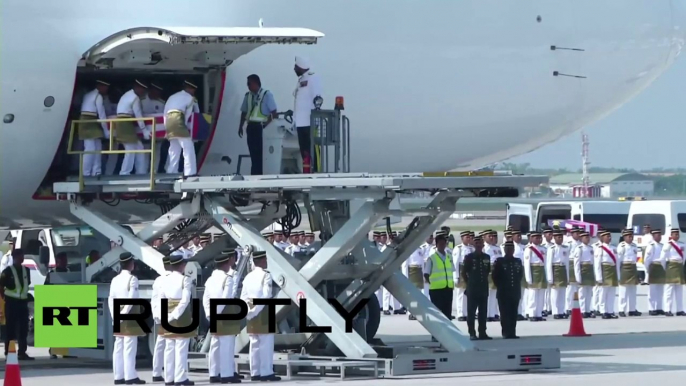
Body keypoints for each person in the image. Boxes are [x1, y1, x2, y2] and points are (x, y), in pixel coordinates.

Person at [240, 250, 281, 382]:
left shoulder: (248, 277)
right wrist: (256, 310)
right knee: (266, 344)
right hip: (263, 311)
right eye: (266, 260)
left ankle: (255, 372)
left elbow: (243, 297)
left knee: (254, 344)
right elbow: (266, 295)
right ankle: (266, 372)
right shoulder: (266, 276)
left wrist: (249, 311)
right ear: (262, 261)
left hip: (250, 309)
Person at [203, 249, 241, 384]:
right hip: (225, 315)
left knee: (215, 345)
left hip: (213, 313)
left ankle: (214, 373)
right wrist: (217, 314)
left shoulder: (210, 279)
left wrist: (210, 314)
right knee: (227, 345)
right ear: (226, 264)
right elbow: (225, 299)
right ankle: (226, 374)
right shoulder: (228, 279)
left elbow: (205, 298)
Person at [108, 252, 145, 384]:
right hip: (130, 315)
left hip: (117, 313)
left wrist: (115, 315)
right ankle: (130, 376)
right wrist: (124, 314)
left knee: (118, 346)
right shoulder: (132, 279)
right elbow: (131, 299)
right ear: (130, 264)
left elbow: (111, 298)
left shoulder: (115, 279)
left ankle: (118, 376)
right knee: (129, 346)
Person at [159, 251, 196, 386]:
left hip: (167, 313)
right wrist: (174, 315)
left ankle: (169, 378)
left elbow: (161, 297)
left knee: (169, 348)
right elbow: (185, 300)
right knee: (181, 348)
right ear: (181, 265)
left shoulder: (165, 279)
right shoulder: (185, 280)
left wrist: (166, 315)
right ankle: (180, 377)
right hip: (181, 316)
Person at [238, 74, 278, 176]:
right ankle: (254, 175)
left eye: (249, 83)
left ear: (256, 83)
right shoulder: (248, 96)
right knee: (253, 154)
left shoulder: (266, 95)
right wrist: (241, 126)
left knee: (260, 154)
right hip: (251, 127)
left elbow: (274, 113)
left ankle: (259, 175)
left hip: (261, 128)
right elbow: (244, 112)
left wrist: (267, 125)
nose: (248, 86)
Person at [0, 249, 33, 360]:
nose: (22, 258)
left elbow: (27, 284)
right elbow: (1, 286)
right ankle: (9, 352)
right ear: (14, 257)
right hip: (11, 303)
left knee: (23, 328)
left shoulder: (26, 270)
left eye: (22, 255)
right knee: (11, 328)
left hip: (22, 303)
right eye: (20, 256)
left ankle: (22, 352)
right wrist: (4, 297)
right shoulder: (7, 271)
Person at [293, 56, 323, 173]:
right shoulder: (300, 80)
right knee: (304, 151)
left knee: (314, 149)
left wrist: (317, 107)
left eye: (296, 67)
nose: (294, 69)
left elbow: (318, 98)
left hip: (310, 121)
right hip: (300, 122)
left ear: (300, 67)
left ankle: (317, 172)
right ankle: (307, 173)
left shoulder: (313, 78)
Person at [164, 81, 199, 177]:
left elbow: (164, 112)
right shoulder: (190, 98)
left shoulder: (172, 97)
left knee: (174, 147)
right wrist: (185, 128)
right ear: (191, 89)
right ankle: (190, 172)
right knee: (188, 146)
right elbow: (187, 115)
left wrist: (165, 128)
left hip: (168, 120)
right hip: (178, 119)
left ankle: (171, 171)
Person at [116, 80, 150, 176]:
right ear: (138, 88)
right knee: (130, 149)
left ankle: (141, 171)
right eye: (142, 89)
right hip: (125, 124)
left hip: (124, 123)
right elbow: (138, 115)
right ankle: (124, 172)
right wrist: (144, 130)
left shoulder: (127, 94)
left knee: (139, 147)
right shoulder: (135, 98)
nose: (143, 92)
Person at [462, 235, 491, 340]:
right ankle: (472, 333)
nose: (479, 246)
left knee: (483, 313)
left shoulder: (487, 257)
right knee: (471, 312)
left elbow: (487, 271)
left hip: (483, 288)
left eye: (480, 244)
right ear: (474, 245)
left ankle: (482, 332)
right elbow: (464, 273)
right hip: (473, 289)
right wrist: (469, 283)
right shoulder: (469, 257)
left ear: (483, 245)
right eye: (477, 243)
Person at [493, 241, 524, 339]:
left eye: (511, 249)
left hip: (514, 291)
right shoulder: (500, 261)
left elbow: (520, 275)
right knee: (504, 313)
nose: (510, 251)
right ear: (505, 250)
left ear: (513, 250)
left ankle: (512, 332)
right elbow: (495, 276)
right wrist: (501, 286)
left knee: (513, 313)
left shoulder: (518, 261)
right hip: (503, 292)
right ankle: (506, 332)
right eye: (508, 249)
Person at [79, 80, 110, 177]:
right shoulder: (98, 96)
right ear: (100, 86)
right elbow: (101, 114)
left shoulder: (88, 95)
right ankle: (86, 173)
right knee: (90, 148)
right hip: (89, 121)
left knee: (97, 147)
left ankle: (96, 171)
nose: (106, 89)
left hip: (89, 120)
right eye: (105, 87)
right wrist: (106, 131)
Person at [423, 231, 454, 321]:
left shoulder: (449, 257)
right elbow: (426, 274)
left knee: (447, 313)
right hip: (436, 290)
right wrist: (431, 283)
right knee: (438, 313)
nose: (442, 245)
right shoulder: (432, 258)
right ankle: (436, 334)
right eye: (440, 244)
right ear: (436, 245)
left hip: (448, 288)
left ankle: (447, 333)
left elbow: (452, 270)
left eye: (444, 243)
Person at [150, 255, 172, 383]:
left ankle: (156, 372)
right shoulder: (171, 279)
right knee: (171, 344)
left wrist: (156, 314)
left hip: (159, 313)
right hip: (169, 313)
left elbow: (154, 299)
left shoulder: (158, 279)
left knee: (160, 343)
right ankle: (170, 373)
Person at [660, 228, 686, 316]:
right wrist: (666, 268)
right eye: (675, 234)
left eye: (677, 234)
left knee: (679, 290)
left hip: (679, 267)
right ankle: (668, 309)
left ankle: (680, 310)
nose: (677, 236)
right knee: (669, 290)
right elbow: (662, 258)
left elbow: (684, 257)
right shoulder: (668, 245)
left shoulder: (682, 244)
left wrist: (681, 265)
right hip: (671, 267)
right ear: (671, 235)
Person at [141, 83, 166, 172]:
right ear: (150, 90)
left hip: (158, 134)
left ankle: (154, 171)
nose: (157, 94)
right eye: (155, 91)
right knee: (145, 153)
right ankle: (143, 172)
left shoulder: (161, 103)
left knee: (156, 152)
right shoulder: (141, 101)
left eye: (158, 92)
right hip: (145, 133)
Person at [594, 230, 618, 319]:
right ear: (602, 238)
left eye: (610, 236)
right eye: (607, 236)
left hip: (612, 271)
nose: (609, 238)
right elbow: (597, 264)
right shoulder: (600, 248)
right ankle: (603, 311)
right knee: (603, 293)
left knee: (612, 293)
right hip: (604, 271)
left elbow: (617, 263)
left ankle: (610, 311)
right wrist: (599, 276)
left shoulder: (613, 248)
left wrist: (618, 275)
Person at [616, 229, 641, 317]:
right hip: (625, 268)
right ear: (624, 237)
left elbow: (635, 260)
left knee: (633, 290)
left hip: (633, 268)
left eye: (632, 236)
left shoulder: (634, 246)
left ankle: (632, 309)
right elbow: (618, 261)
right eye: (629, 236)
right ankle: (621, 309)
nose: (631, 238)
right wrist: (618, 274)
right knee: (623, 291)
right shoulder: (621, 246)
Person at [546, 230, 570, 319]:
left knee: (562, 293)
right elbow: (549, 264)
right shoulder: (552, 249)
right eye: (558, 237)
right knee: (555, 293)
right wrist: (550, 279)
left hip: (563, 269)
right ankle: (555, 312)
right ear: (554, 238)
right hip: (555, 270)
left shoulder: (565, 248)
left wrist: (567, 277)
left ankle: (561, 311)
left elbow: (567, 263)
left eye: (561, 237)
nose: (560, 239)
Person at [523, 232, 547, 321]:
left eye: (539, 238)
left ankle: (538, 314)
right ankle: (532, 314)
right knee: (533, 295)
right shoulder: (529, 249)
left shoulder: (543, 249)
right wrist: (528, 278)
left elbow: (546, 263)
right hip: (533, 272)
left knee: (541, 295)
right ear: (531, 239)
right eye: (536, 238)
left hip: (541, 272)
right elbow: (527, 264)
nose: (538, 239)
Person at [572, 232, 596, 318]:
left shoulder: (591, 248)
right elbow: (576, 264)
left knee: (589, 293)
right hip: (583, 270)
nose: (587, 239)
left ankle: (587, 310)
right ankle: (582, 310)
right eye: (585, 237)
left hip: (589, 270)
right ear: (581, 238)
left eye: (588, 237)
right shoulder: (579, 248)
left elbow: (593, 262)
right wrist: (578, 276)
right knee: (582, 293)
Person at [453, 231, 474, 322]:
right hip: (461, 272)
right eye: (466, 237)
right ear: (462, 238)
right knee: (460, 294)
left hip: (469, 273)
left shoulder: (471, 248)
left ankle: (466, 313)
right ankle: (460, 313)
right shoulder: (458, 248)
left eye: (469, 237)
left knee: (467, 294)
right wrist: (456, 276)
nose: (468, 239)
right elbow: (455, 263)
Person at [644, 229, 666, 315]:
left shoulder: (662, 245)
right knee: (652, 290)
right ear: (653, 236)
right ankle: (652, 308)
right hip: (653, 267)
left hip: (660, 267)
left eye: (660, 235)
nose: (659, 237)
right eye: (657, 235)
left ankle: (659, 307)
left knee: (660, 290)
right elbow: (646, 260)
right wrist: (648, 269)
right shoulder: (651, 246)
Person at [481, 230, 501, 322]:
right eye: (490, 236)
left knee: (494, 294)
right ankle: (487, 314)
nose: (492, 238)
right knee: (488, 294)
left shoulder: (497, 248)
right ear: (484, 237)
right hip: (489, 272)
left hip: (497, 271)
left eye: (493, 236)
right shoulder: (485, 248)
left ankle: (493, 313)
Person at [565, 228, 582, 314]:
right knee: (570, 288)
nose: (578, 235)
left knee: (577, 287)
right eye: (576, 233)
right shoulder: (569, 243)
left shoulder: (580, 243)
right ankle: (568, 307)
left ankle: (576, 306)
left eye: (579, 233)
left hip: (578, 264)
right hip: (571, 263)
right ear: (572, 234)